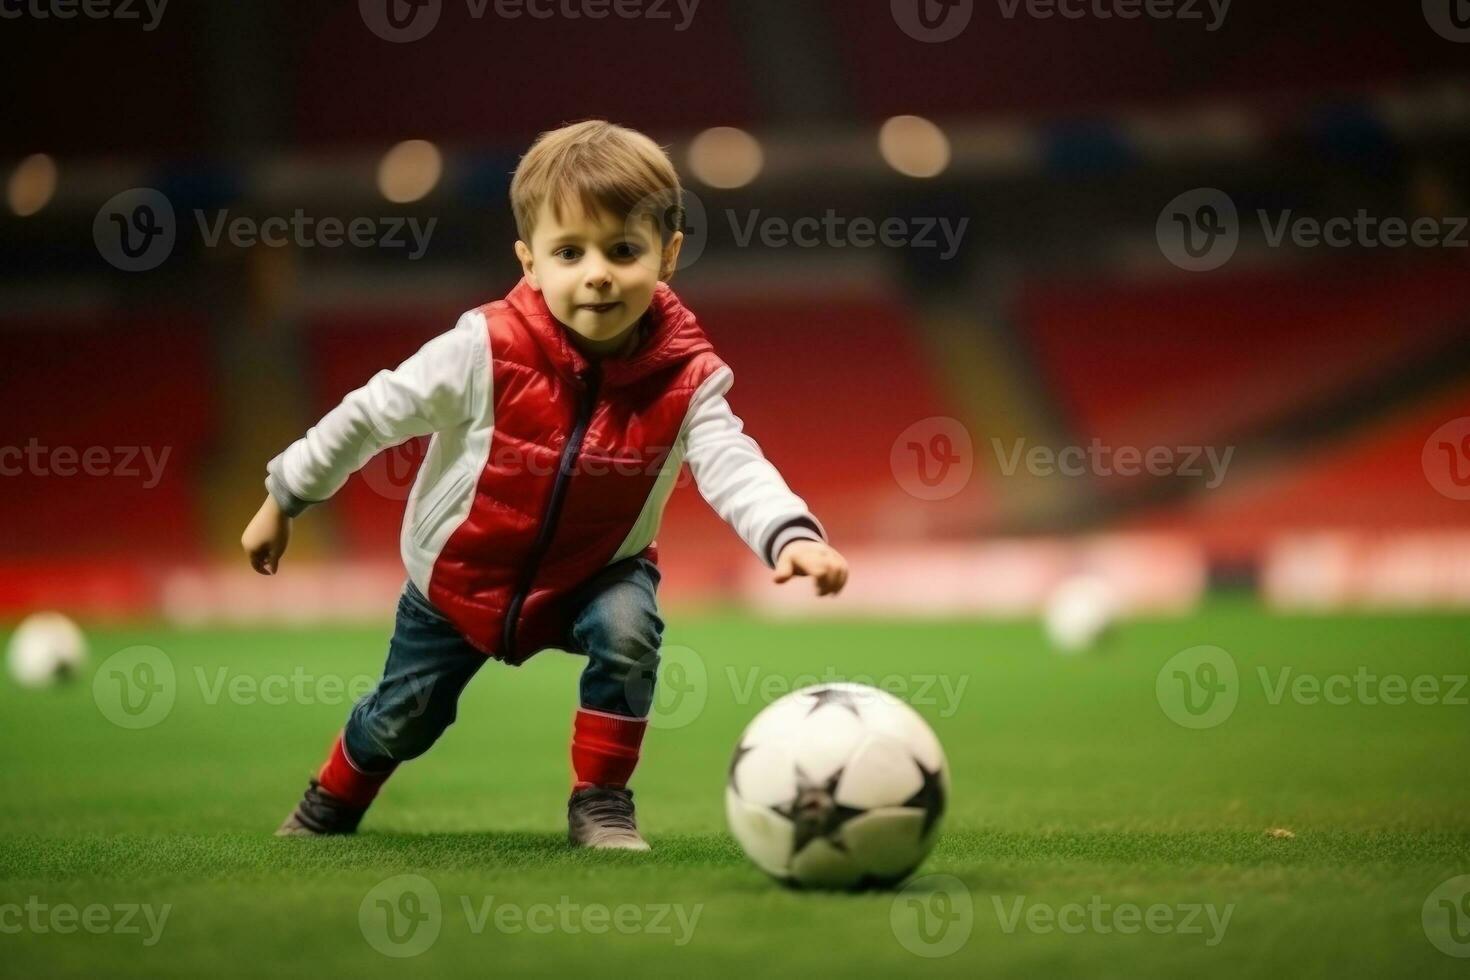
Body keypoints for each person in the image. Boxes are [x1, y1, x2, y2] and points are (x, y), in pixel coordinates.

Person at [241, 120, 849, 850]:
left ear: (669, 256)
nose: (597, 273)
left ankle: (601, 803)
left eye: (623, 250)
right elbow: (371, 415)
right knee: (409, 715)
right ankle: (332, 797)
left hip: (596, 572)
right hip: (459, 577)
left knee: (630, 634)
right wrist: (286, 497)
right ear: (530, 263)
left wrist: (792, 535)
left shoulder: (688, 380)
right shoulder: (481, 349)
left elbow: (733, 463)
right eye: (570, 252)